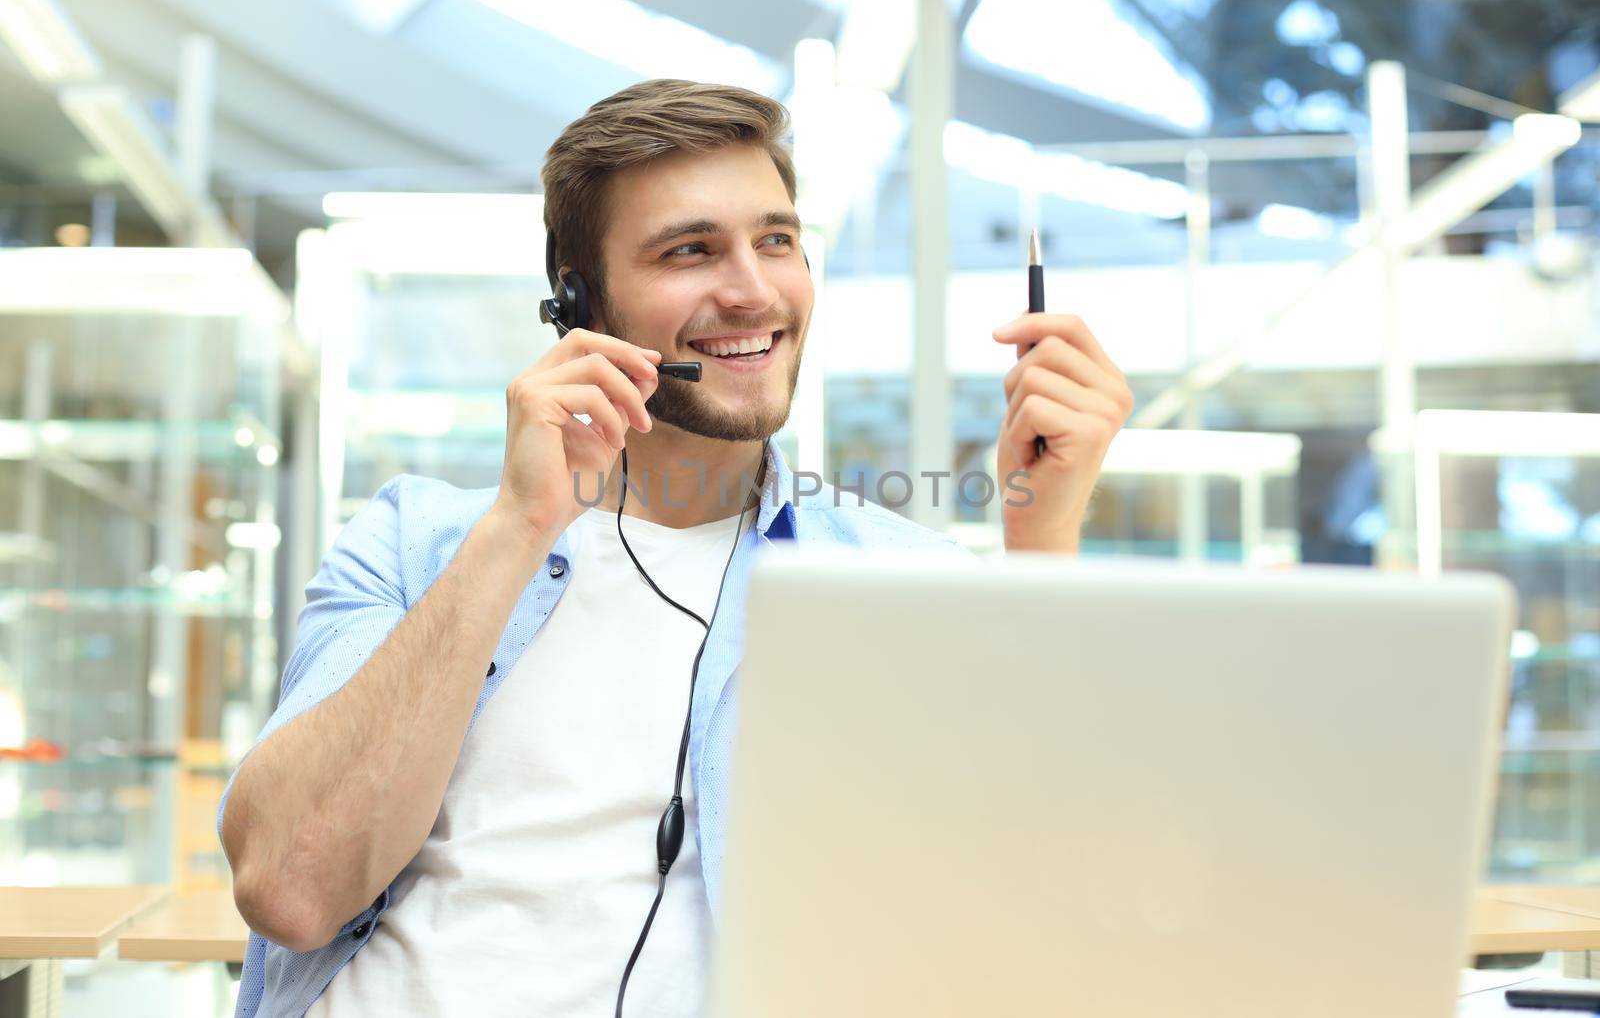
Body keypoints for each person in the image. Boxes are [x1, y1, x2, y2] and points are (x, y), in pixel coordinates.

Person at [219, 79, 1133, 1018]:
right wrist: (519, 527)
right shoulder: (416, 541)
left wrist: (1043, 543)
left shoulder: (898, 581)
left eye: (777, 240)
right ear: (580, 301)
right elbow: (291, 886)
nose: (752, 290)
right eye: (690, 250)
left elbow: (1042, 913)